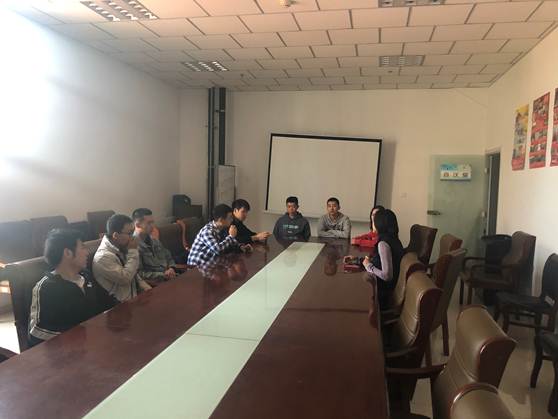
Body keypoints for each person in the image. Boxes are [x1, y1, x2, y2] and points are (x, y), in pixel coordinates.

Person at [28, 229, 113, 346]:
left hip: (95, 343)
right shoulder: (46, 288)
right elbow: (36, 332)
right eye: (82, 247)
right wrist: (79, 336)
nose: (87, 252)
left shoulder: (86, 277)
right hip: (69, 351)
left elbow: (107, 302)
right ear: (67, 253)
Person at [93, 214, 151, 302]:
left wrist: (148, 290)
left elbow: (134, 275)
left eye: (133, 232)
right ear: (115, 235)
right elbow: (125, 278)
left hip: (135, 298)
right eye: (129, 233)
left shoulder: (120, 246)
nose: (133, 237)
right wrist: (133, 251)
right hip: (121, 305)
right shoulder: (103, 257)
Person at [361, 209, 404, 309]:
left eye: (374, 221)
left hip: (383, 292)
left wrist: (368, 266)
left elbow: (387, 275)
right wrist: (360, 260)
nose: (372, 223)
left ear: (379, 224)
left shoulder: (383, 244)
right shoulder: (394, 238)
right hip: (392, 286)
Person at [132, 208, 177, 284]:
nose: (153, 226)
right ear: (138, 225)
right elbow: (139, 274)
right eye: (149, 223)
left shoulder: (155, 241)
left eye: (153, 222)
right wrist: (163, 275)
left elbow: (169, 257)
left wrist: (171, 268)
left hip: (169, 277)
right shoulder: (133, 246)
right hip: (155, 283)